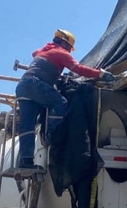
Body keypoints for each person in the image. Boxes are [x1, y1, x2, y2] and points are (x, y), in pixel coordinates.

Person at [14, 29, 114, 169]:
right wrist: (100, 74)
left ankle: (26, 161)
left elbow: (34, 53)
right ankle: (52, 134)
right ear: (64, 43)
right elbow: (78, 69)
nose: (69, 51)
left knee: (27, 126)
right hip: (35, 84)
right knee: (60, 102)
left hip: (23, 87)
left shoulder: (44, 51)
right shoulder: (61, 53)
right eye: (69, 47)